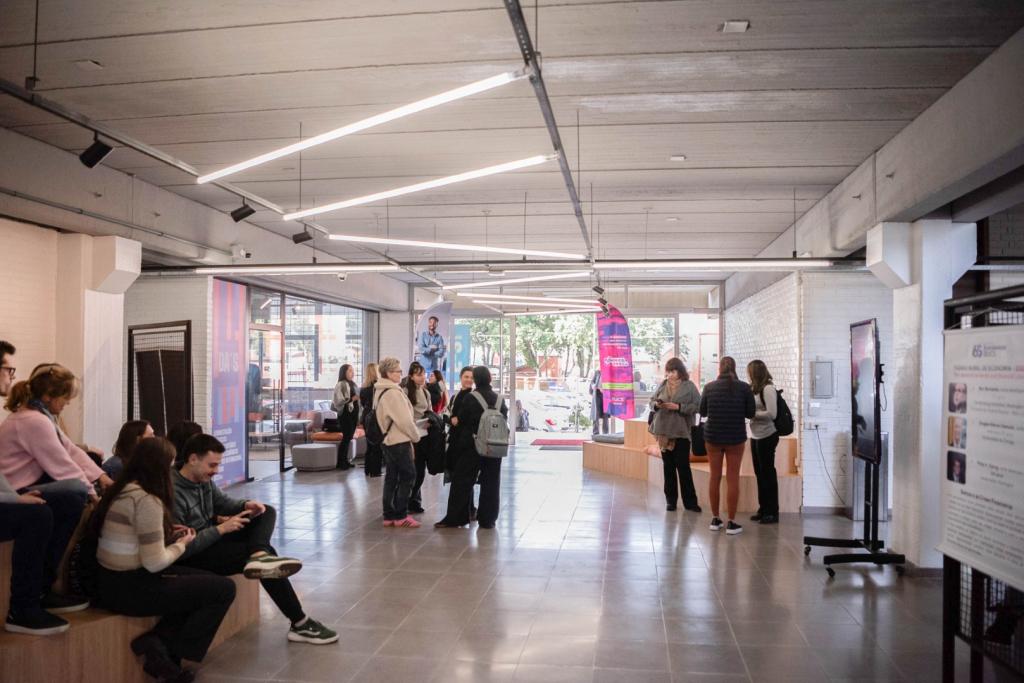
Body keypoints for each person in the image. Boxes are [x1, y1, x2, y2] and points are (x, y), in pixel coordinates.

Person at [93, 437, 235, 682]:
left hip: (109, 580)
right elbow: (155, 562)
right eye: (170, 464)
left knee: (206, 581)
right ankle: (168, 655)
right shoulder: (147, 500)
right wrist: (182, 544)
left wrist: (167, 533)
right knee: (223, 589)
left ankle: (159, 646)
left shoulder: (124, 490)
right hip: (129, 587)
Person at [173, 434, 338, 645]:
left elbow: (223, 502)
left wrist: (246, 505)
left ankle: (259, 554)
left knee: (265, 511)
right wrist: (221, 529)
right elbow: (183, 548)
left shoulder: (202, 480)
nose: (216, 471)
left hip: (212, 537)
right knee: (261, 558)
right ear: (193, 459)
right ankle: (299, 621)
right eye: (212, 465)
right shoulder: (173, 491)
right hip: (195, 554)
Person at [0, 341, 90, 634]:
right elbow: (63, 464)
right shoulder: (31, 420)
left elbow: (69, 452)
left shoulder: (41, 417)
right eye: (8, 369)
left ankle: (41, 591)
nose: (12, 375)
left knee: (67, 500)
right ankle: (23, 608)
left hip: (13, 491)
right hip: (14, 491)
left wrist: (101, 479)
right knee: (42, 512)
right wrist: (14, 499)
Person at [0, 363, 113, 499]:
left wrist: (101, 476)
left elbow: (70, 449)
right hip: (15, 490)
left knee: (89, 462)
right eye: (65, 397)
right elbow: (62, 464)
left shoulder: (39, 415)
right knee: (77, 488)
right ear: (48, 396)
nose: (68, 402)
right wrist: (91, 493)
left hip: (26, 482)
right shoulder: (34, 421)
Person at [698, 356, 755, 536]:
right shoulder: (744, 388)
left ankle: (715, 519)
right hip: (735, 437)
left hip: (713, 437)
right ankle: (731, 521)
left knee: (714, 477)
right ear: (734, 368)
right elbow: (751, 413)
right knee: (732, 478)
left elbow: (702, 411)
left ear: (720, 368)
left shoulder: (709, 387)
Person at [452, 366, 507, 529]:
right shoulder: (499, 399)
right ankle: (488, 519)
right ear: (490, 378)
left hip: (472, 446)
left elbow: (462, 419)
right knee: (492, 482)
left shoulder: (471, 398)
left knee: (463, 480)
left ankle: (459, 516)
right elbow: (504, 418)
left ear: (475, 379)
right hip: (494, 446)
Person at [649, 358, 702, 513]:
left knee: (684, 468)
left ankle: (690, 503)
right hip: (664, 431)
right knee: (668, 468)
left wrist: (679, 407)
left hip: (682, 432)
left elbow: (699, 406)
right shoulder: (663, 385)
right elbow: (651, 402)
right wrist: (657, 405)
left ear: (680, 371)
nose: (670, 374)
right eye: (669, 371)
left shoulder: (689, 386)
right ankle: (670, 501)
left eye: (673, 371)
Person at [374, 357, 422, 528]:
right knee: (408, 476)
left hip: (387, 440)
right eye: (398, 371)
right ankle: (401, 515)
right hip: (398, 441)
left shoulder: (380, 390)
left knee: (392, 478)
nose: (401, 374)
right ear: (388, 373)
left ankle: (389, 515)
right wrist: (416, 437)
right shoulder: (393, 393)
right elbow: (405, 421)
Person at [435, 367, 478, 528]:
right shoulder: (456, 396)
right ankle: (470, 509)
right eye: (466, 376)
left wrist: (457, 419)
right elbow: (447, 414)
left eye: (471, 377)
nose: (469, 380)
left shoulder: (473, 397)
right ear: (461, 377)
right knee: (462, 479)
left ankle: (463, 512)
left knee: (462, 480)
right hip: (455, 442)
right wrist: (452, 419)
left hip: (465, 444)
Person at [747, 360, 779, 525]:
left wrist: (753, 414)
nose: (748, 375)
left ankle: (772, 511)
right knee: (760, 473)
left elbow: (772, 414)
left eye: (750, 372)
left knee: (768, 473)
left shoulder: (768, 389)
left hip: (767, 435)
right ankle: (763, 508)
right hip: (756, 435)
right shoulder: (754, 389)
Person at [405, 361, 433, 514]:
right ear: (411, 376)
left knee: (420, 470)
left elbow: (429, 410)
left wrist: (429, 421)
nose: (422, 377)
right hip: (410, 435)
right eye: (418, 375)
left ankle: (414, 501)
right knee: (413, 470)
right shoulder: (405, 392)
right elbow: (404, 415)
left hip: (424, 434)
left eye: (423, 374)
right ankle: (407, 500)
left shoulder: (425, 392)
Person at [331, 364, 359, 471]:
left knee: (349, 437)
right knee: (346, 437)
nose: (353, 373)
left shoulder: (353, 384)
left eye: (353, 371)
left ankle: (345, 460)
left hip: (353, 414)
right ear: (344, 372)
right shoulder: (341, 384)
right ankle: (341, 462)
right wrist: (352, 399)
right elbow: (338, 401)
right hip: (345, 415)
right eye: (350, 371)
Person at [360, 363, 382, 477]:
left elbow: (363, 403)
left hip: (366, 416)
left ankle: (367, 469)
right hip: (376, 416)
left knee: (369, 443)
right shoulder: (378, 386)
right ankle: (375, 471)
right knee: (377, 444)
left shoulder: (363, 387)